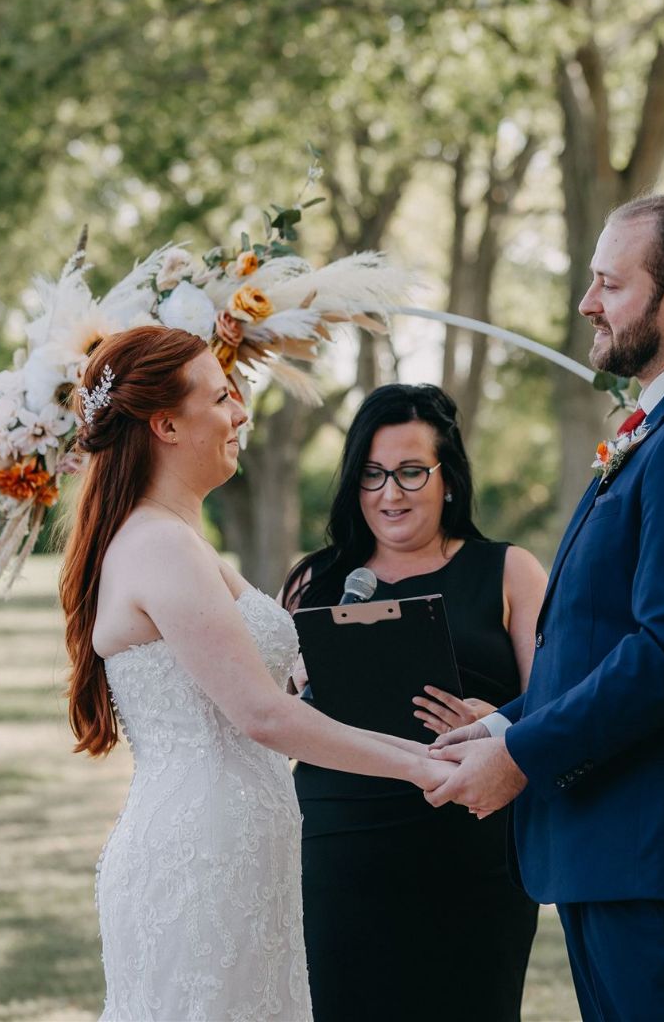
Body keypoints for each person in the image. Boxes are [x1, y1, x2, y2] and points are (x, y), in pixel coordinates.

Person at [428, 194, 664, 1021]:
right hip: (621, 845)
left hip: (661, 845)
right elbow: (599, 638)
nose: (588, 303)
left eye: (610, 284)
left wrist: (523, 754)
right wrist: (503, 724)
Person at [59, 326, 454, 1021]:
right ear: (166, 425)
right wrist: (423, 767)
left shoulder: (182, 539)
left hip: (243, 850)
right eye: (222, 397)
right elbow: (263, 714)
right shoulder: (159, 545)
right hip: (201, 856)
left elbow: (278, 691)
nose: (241, 411)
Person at [280, 384, 547, 1022]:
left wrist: (496, 720)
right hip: (338, 844)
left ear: (447, 478)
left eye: (410, 472)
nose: (390, 493)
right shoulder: (315, 579)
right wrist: (294, 680)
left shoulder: (510, 571)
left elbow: (555, 701)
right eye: (372, 474)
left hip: (469, 843)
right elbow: (269, 717)